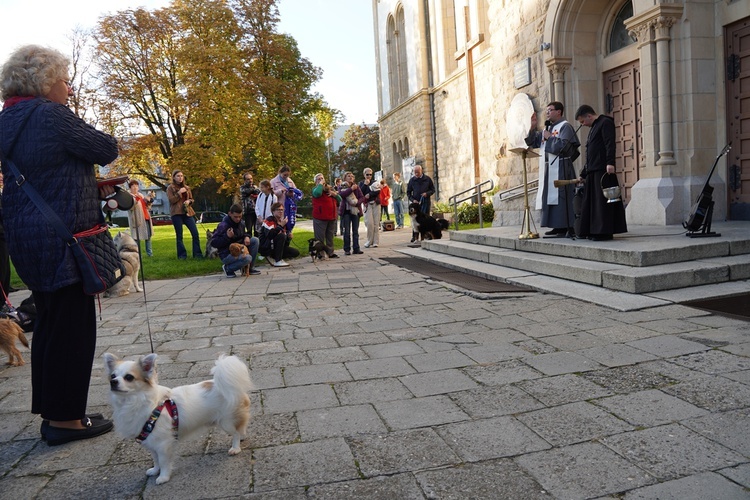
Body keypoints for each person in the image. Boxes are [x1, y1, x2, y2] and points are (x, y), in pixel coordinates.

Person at [0, 44, 118, 444]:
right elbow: (105, 148)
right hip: (63, 237)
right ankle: (66, 421)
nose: (68, 88)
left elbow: (46, 171)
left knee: (50, 323)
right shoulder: (50, 115)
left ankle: (54, 413)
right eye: (64, 80)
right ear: (44, 83)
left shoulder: (7, 119)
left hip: (27, 237)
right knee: (72, 327)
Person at [525, 101, 580, 236]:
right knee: (550, 197)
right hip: (549, 169)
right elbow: (532, 141)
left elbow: (564, 147)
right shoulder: (547, 129)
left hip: (561, 167)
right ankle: (557, 225)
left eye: (550, 110)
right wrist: (532, 127)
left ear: (559, 112)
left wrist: (549, 138)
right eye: (546, 110)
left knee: (562, 196)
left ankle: (567, 225)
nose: (547, 113)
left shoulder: (565, 127)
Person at [574, 104, 628, 241]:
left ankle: (604, 232)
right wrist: (583, 173)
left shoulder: (605, 123)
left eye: (582, 121)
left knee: (602, 204)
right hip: (593, 170)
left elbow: (609, 143)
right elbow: (591, 152)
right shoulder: (594, 127)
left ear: (589, 116)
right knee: (593, 204)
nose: (583, 124)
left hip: (603, 170)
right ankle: (593, 230)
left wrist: (610, 162)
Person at [211, 204, 261, 277]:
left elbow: (244, 233)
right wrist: (227, 237)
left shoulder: (241, 223)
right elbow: (214, 242)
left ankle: (249, 268)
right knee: (247, 258)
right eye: (235, 217)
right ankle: (228, 268)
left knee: (255, 240)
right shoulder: (223, 225)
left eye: (240, 217)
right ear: (230, 214)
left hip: (239, 248)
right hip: (227, 254)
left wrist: (246, 236)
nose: (238, 219)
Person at [166, 169, 203, 259]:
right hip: (176, 213)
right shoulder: (170, 188)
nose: (180, 178)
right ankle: (182, 255)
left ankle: (197, 254)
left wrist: (189, 201)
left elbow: (192, 199)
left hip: (187, 212)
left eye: (181, 176)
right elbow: (171, 201)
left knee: (195, 233)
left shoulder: (187, 187)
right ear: (174, 177)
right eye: (178, 176)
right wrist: (179, 193)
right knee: (179, 235)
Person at [259, 202, 300, 267]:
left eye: (282, 210)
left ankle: (276, 257)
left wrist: (288, 238)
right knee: (281, 235)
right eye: (278, 210)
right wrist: (280, 226)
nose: (280, 211)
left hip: (275, 247)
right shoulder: (269, 220)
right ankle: (277, 260)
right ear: (273, 211)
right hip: (266, 246)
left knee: (295, 252)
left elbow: (284, 243)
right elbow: (270, 235)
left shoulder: (282, 222)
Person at [311, 173, 341, 259]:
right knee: (320, 237)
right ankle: (320, 254)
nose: (321, 180)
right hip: (320, 217)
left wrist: (334, 194)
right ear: (315, 182)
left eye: (322, 178)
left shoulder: (329, 190)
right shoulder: (315, 189)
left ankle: (330, 252)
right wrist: (320, 184)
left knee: (330, 236)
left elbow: (340, 199)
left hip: (331, 217)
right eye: (318, 179)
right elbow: (317, 194)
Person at [406, 165, 436, 243]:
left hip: (425, 202)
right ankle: (414, 237)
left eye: (418, 172)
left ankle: (426, 235)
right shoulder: (412, 180)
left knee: (425, 219)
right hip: (416, 203)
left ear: (421, 171)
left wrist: (427, 193)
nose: (416, 174)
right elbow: (408, 193)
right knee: (415, 220)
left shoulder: (427, 179)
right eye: (415, 172)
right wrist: (413, 200)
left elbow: (433, 190)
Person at [270, 165, 303, 234]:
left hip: (289, 208)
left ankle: (287, 240)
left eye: (287, 175)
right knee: (280, 227)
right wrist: (281, 191)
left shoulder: (290, 182)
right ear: (280, 173)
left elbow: (295, 192)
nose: (286, 177)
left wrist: (292, 194)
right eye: (284, 175)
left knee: (289, 226)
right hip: (279, 207)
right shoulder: (273, 182)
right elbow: (271, 194)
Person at [338, 171, 364, 256]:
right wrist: (351, 189)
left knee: (355, 231)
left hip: (355, 210)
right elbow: (342, 194)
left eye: (352, 176)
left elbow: (361, 197)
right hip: (346, 211)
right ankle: (347, 249)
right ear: (345, 178)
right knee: (347, 231)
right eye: (348, 176)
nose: (351, 177)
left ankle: (356, 248)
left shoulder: (357, 187)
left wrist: (357, 203)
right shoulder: (341, 186)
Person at [127, 179, 154, 257]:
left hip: (146, 217)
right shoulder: (129, 196)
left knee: (148, 236)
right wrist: (136, 200)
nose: (135, 187)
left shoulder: (141, 195)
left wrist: (149, 200)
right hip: (136, 219)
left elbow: (147, 206)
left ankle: (150, 254)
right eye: (133, 186)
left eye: (136, 186)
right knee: (136, 238)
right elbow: (130, 207)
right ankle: (137, 255)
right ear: (130, 187)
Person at [359, 168, 381, 248]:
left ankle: (376, 241)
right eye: (367, 174)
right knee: (369, 223)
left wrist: (370, 194)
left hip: (375, 203)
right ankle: (369, 240)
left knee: (376, 223)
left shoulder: (375, 182)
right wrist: (365, 184)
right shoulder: (361, 183)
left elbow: (378, 191)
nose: (369, 176)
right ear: (364, 175)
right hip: (367, 204)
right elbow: (360, 193)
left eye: (370, 174)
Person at [239, 172, 259, 236]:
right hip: (247, 212)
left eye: (251, 178)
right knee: (249, 230)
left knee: (257, 230)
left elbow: (259, 192)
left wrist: (254, 190)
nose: (250, 180)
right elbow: (246, 191)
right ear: (244, 180)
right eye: (248, 179)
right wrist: (254, 190)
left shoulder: (255, 187)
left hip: (256, 211)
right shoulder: (242, 188)